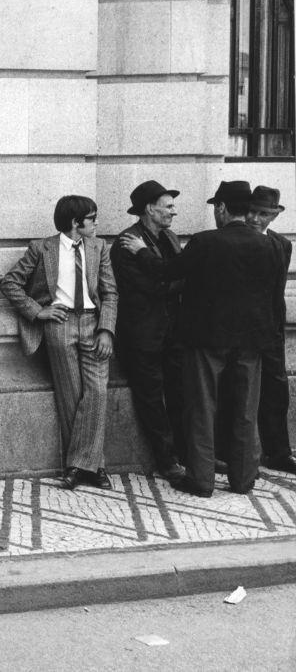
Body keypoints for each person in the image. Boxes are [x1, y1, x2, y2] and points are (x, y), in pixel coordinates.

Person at [121, 181, 282, 497]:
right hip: (252, 342)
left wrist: (141, 252)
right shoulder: (273, 245)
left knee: (201, 407)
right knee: (245, 410)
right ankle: (243, 479)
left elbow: (168, 271)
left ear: (221, 208)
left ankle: (202, 480)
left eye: (215, 208)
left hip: (207, 340)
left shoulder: (206, 242)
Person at [0, 196, 118, 491]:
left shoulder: (99, 247)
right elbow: (10, 282)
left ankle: (80, 466)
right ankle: (92, 467)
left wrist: (107, 330)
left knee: (97, 393)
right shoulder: (42, 248)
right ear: (76, 223)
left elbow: (110, 293)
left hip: (93, 323)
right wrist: (38, 311)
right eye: (92, 218)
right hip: (59, 324)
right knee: (71, 396)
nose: (97, 223)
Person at [109, 181, 186, 482]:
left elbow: (179, 276)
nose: (173, 212)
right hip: (142, 338)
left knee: (179, 396)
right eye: (168, 206)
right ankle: (167, 462)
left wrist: (172, 280)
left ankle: (186, 454)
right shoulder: (126, 244)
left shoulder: (168, 237)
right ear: (149, 209)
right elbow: (149, 288)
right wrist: (174, 280)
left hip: (171, 334)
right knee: (152, 401)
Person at [244, 186, 296, 475]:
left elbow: (276, 291)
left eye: (263, 214)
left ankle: (278, 452)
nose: (254, 218)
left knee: (276, 391)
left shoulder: (282, 245)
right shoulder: (236, 240)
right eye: (251, 211)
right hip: (240, 332)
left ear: (274, 216)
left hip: (271, 331)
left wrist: (277, 328)